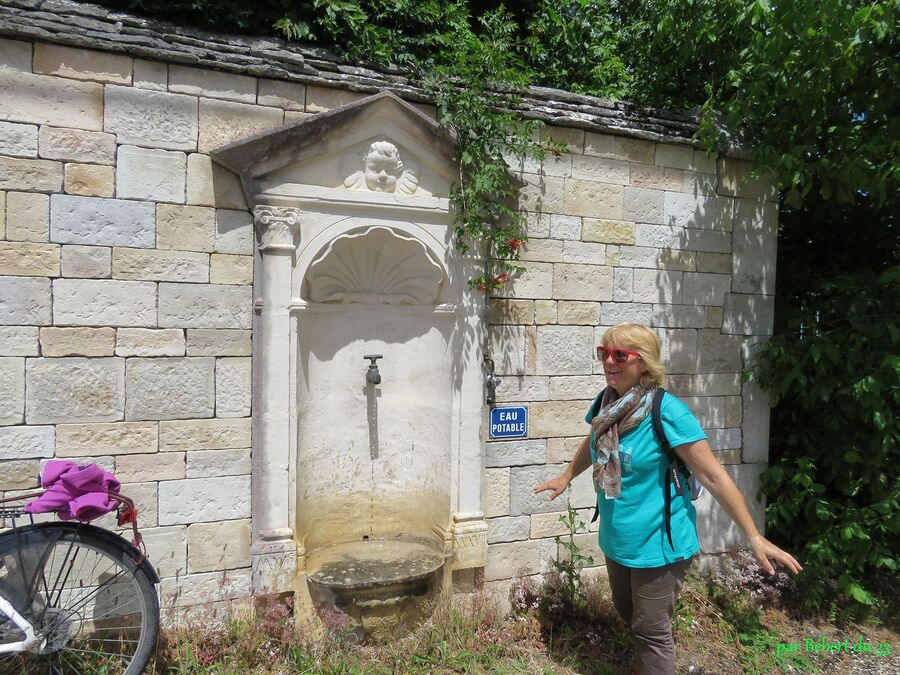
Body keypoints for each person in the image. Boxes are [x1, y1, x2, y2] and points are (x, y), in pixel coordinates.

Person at [533, 322, 801, 675]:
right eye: (604, 352)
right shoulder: (607, 402)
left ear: (642, 362)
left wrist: (753, 536)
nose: (608, 361)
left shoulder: (666, 410)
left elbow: (714, 476)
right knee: (630, 614)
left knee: (652, 632)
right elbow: (595, 439)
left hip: (660, 543)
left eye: (619, 354)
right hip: (619, 538)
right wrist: (567, 476)